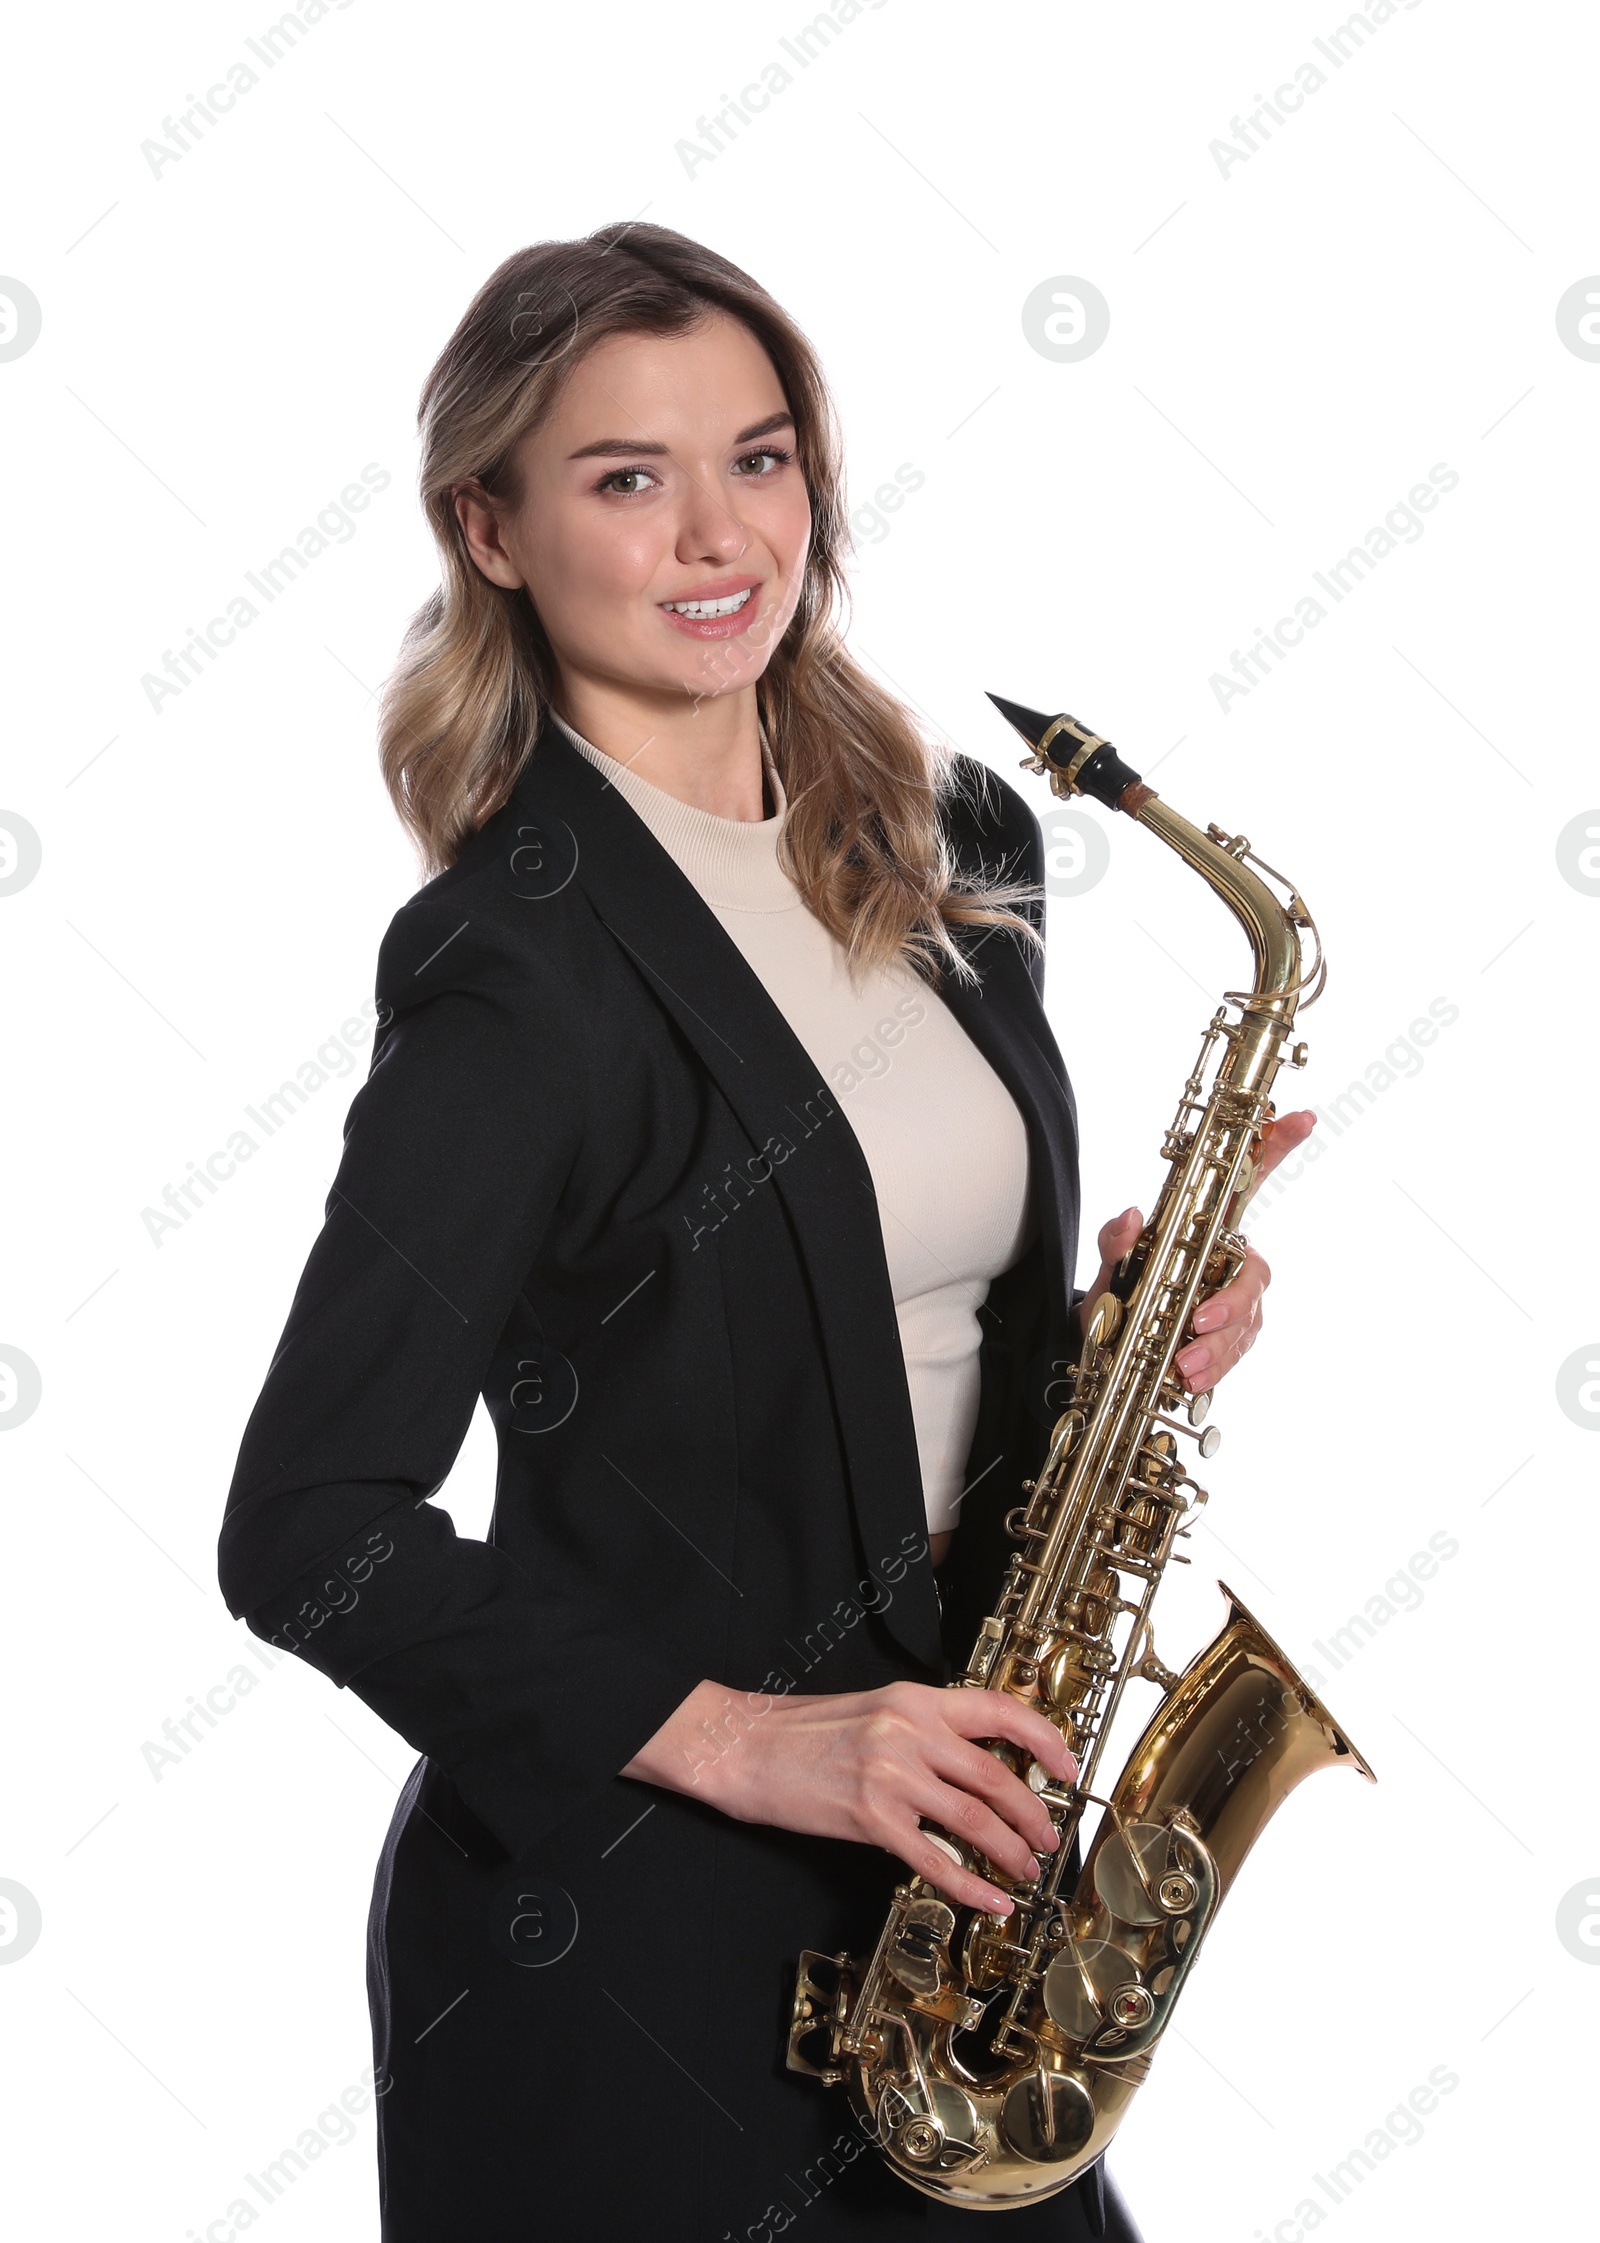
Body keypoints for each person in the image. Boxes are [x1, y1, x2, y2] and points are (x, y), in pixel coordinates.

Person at [217, 222, 1312, 2242]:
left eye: (762, 454)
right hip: (627, 1950)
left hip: (951, 1924)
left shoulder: (951, 841)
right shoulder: (511, 973)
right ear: (490, 525)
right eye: (625, 479)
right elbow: (307, 1526)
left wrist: (1116, 1345)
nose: (719, 533)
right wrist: (752, 1744)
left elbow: (844, 1331)